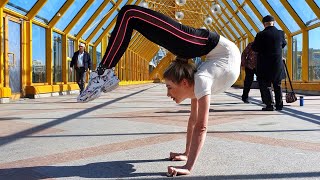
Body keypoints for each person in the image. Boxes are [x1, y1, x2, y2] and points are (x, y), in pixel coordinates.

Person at [78, 5, 241, 176]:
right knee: (130, 14)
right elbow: (195, 122)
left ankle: (104, 72)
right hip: (205, 44)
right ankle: (104, 72)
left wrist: (188, 166)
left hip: (204, 47)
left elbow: (200, 126)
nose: (168, 94)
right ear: (185, 83)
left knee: (130, 15)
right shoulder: (200, 80)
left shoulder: (200, 80)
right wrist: (186, 156)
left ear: (184, 83)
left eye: (169, 87)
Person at [252, 15, 287, 111]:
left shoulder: (260, 35)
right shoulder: (280, 33)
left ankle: (270, 105)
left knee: (266, 85)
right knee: (277, 85)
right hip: (277, 63)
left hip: (264, 64)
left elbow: (254, 48)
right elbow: (283, 44)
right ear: (274, 22)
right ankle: (279, 105)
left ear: (264, 24)